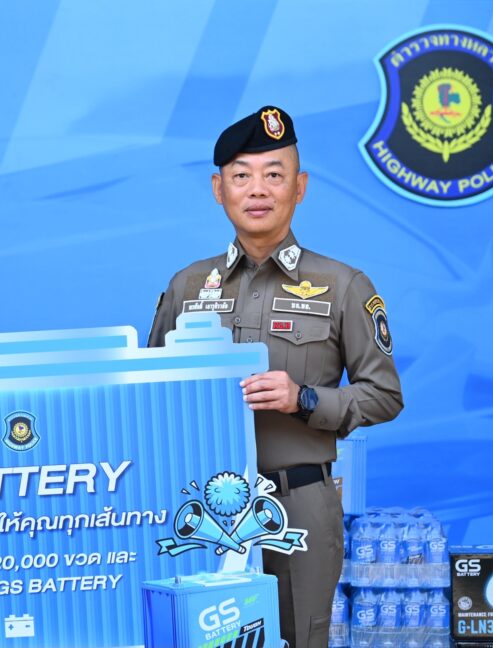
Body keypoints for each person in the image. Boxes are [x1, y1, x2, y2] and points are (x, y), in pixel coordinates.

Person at [148, 105, 403, 648]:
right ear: (218, 189)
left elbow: (383, 395)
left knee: (299, 638)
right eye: (241, 175)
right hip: (200, 507)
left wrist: (304, 399)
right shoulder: (186, 286)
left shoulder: (343, 285)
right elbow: (150, 393)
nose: (257, 189)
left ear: (300, 187)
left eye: (274, 174)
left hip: (298, 505)